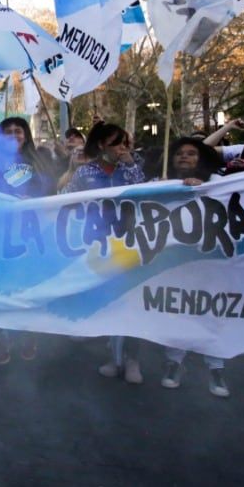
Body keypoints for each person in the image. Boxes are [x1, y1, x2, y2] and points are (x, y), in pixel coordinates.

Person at [62, 122, 149, 383]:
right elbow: (64, 199)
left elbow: (143, 192)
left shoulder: (132, 167)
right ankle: (114, 357)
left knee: (131, 301)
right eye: (116, 143)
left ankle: (132, 360)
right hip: (96, 245)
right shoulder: (86, 172)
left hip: (131, 243)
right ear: (101, 145)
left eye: (125, 143)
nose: (122, 148)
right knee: (110, 298)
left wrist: (130, 164)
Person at [153, 138, 232, 397]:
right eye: (178, 154)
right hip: (174, 265)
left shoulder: (218, 186)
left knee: (212, 312)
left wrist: (201, 189)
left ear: (201, 160)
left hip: (211, 264)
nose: (184, 158)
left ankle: (216, 368)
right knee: (176, 312)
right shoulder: (157, 185)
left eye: (191, 154)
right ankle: (173, 362)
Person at [0, 117, 52, 364]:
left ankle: (29, 333)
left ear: (26, 134)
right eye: (8, 131)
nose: (14, 134)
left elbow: (51, 189)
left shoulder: (40, 160)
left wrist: (33, 197)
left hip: (33, 233)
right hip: (0, 234)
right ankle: (3, 337)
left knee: (29, 284)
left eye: (19, 130)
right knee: (2, 284)